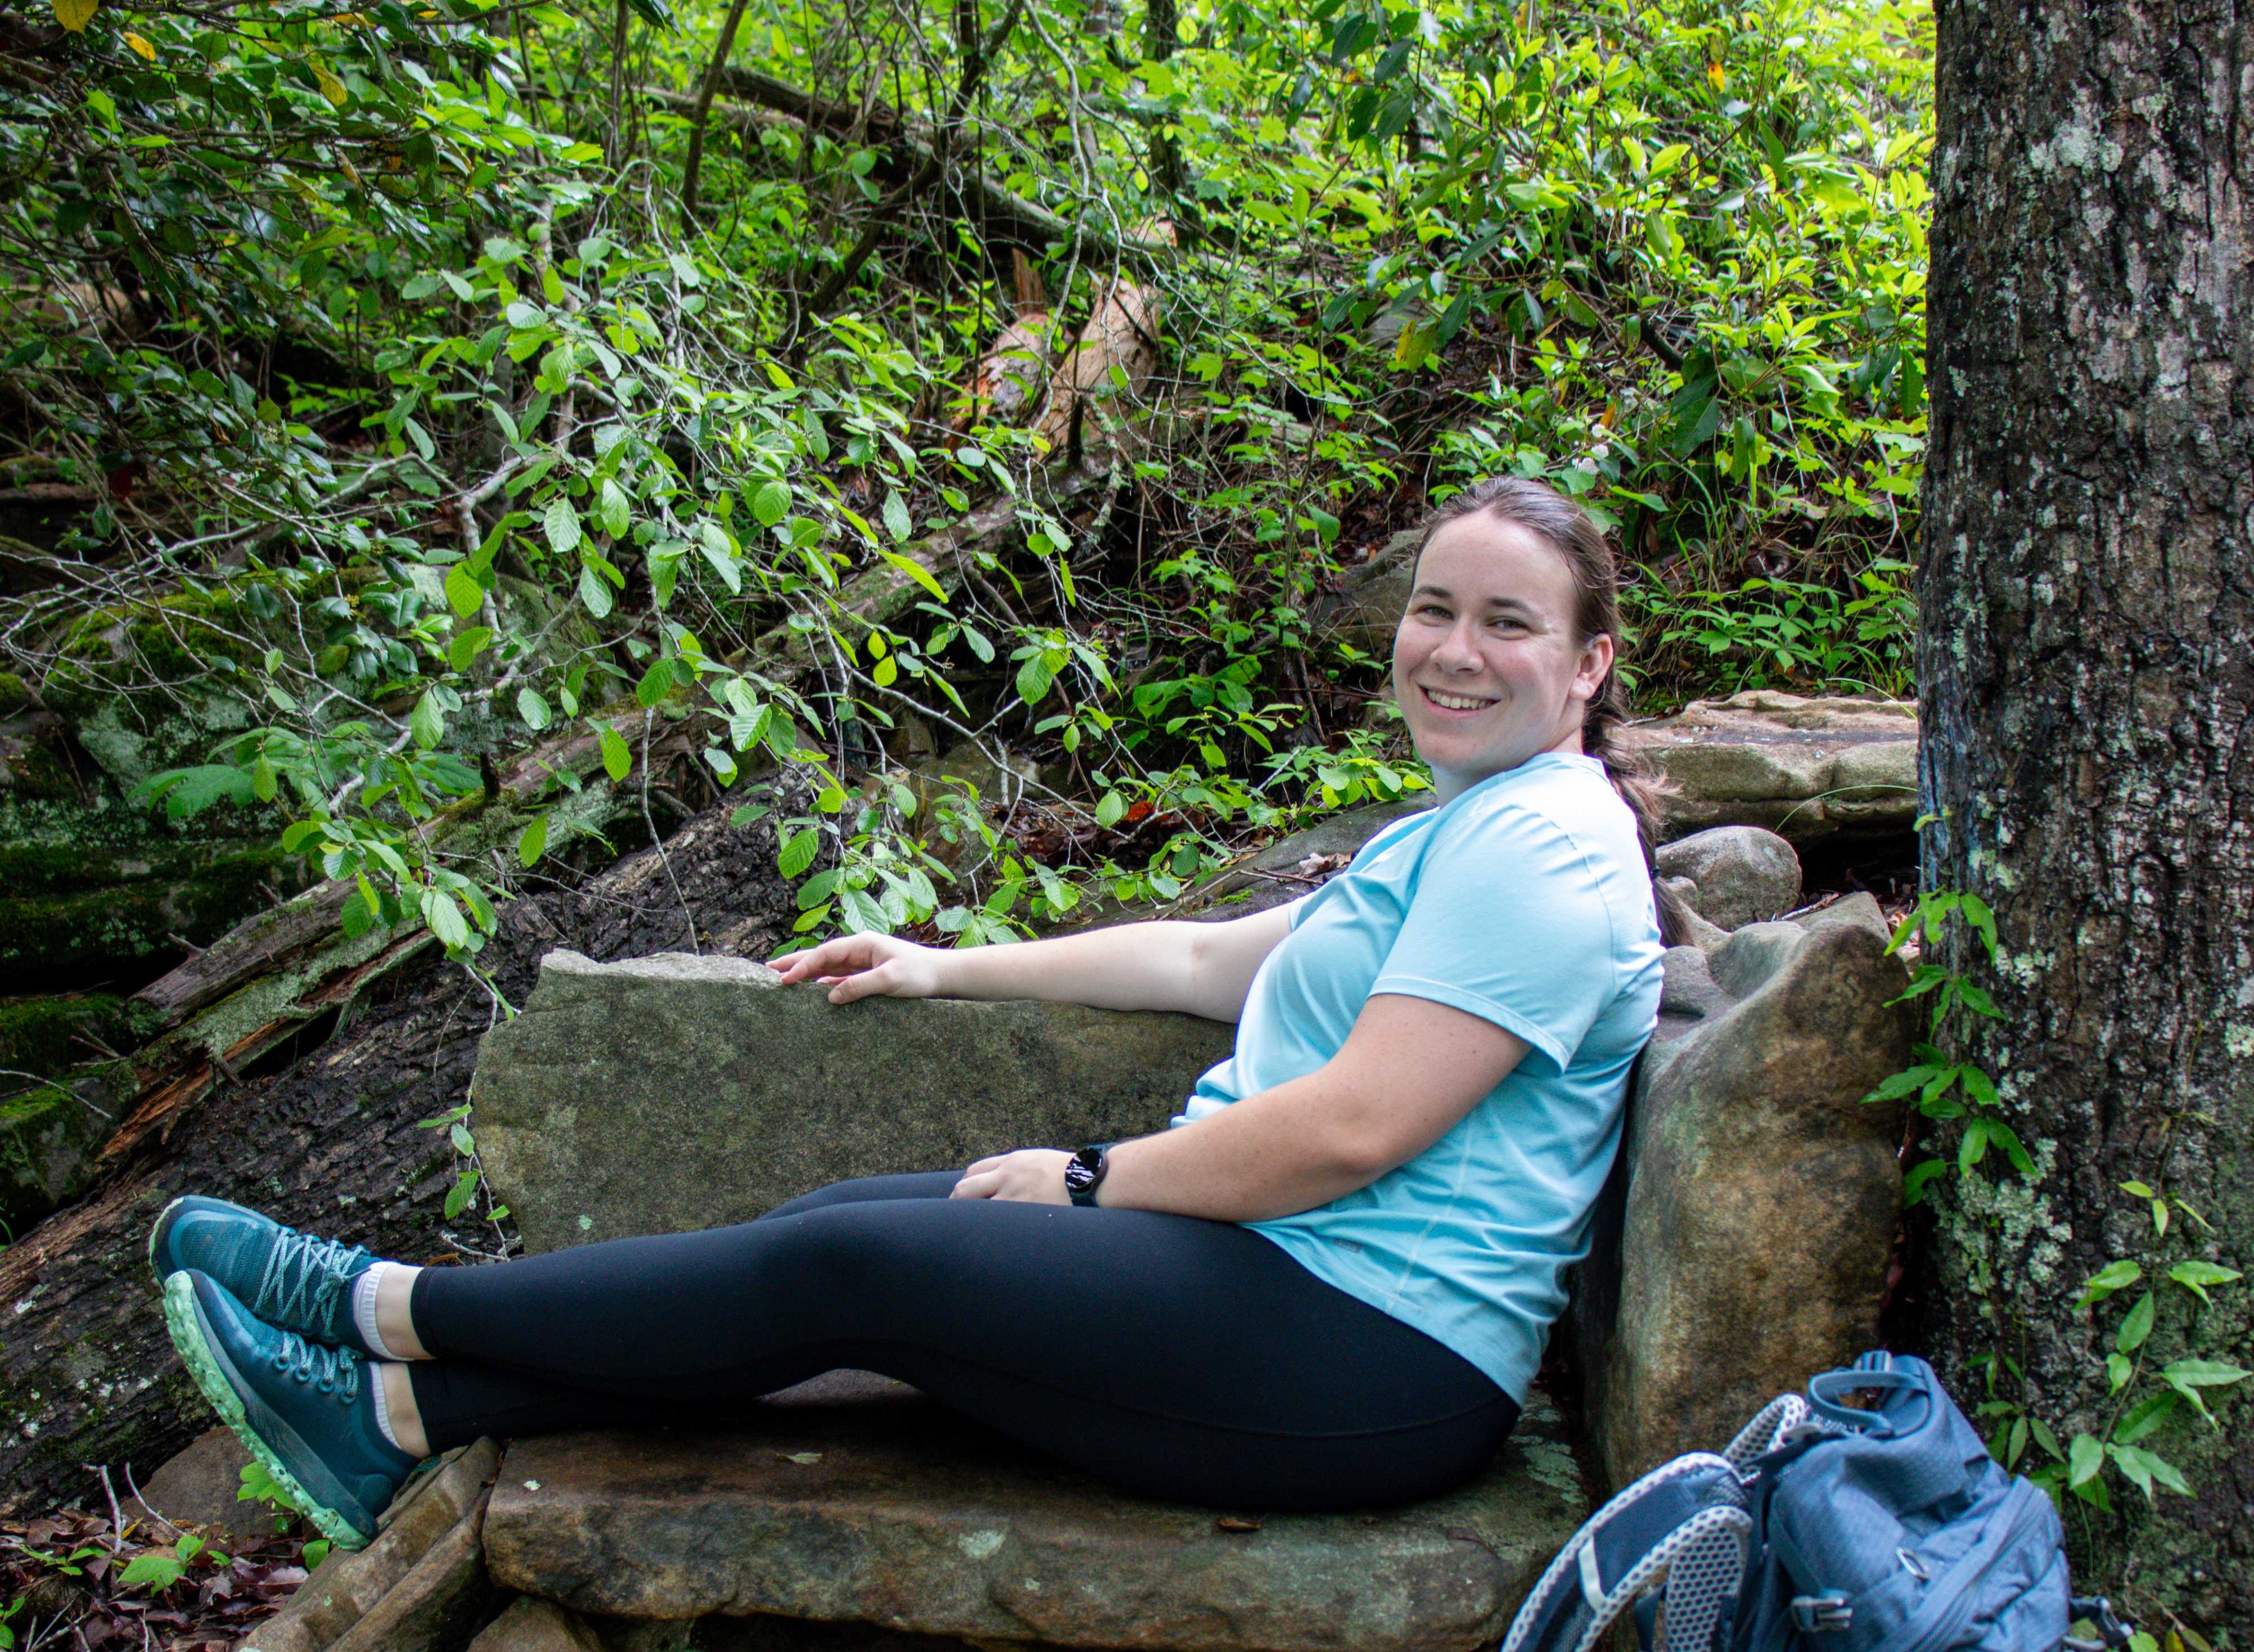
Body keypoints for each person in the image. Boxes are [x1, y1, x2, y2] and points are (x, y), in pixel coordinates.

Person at [149, 476, 1672, 1548]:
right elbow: (1213, 965)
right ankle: (404, 1421)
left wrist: (1089, 1180)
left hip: (1374, 1361)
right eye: (1433, 609)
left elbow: (1354, 1126)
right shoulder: (1464, 825)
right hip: (1278, 1290)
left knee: (854, 1255)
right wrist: (945, 966)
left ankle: (376, 1304)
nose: (1455, 651)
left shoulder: (1545, 848)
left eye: (1508, 624)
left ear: (1589, 661)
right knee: (849, 1217)